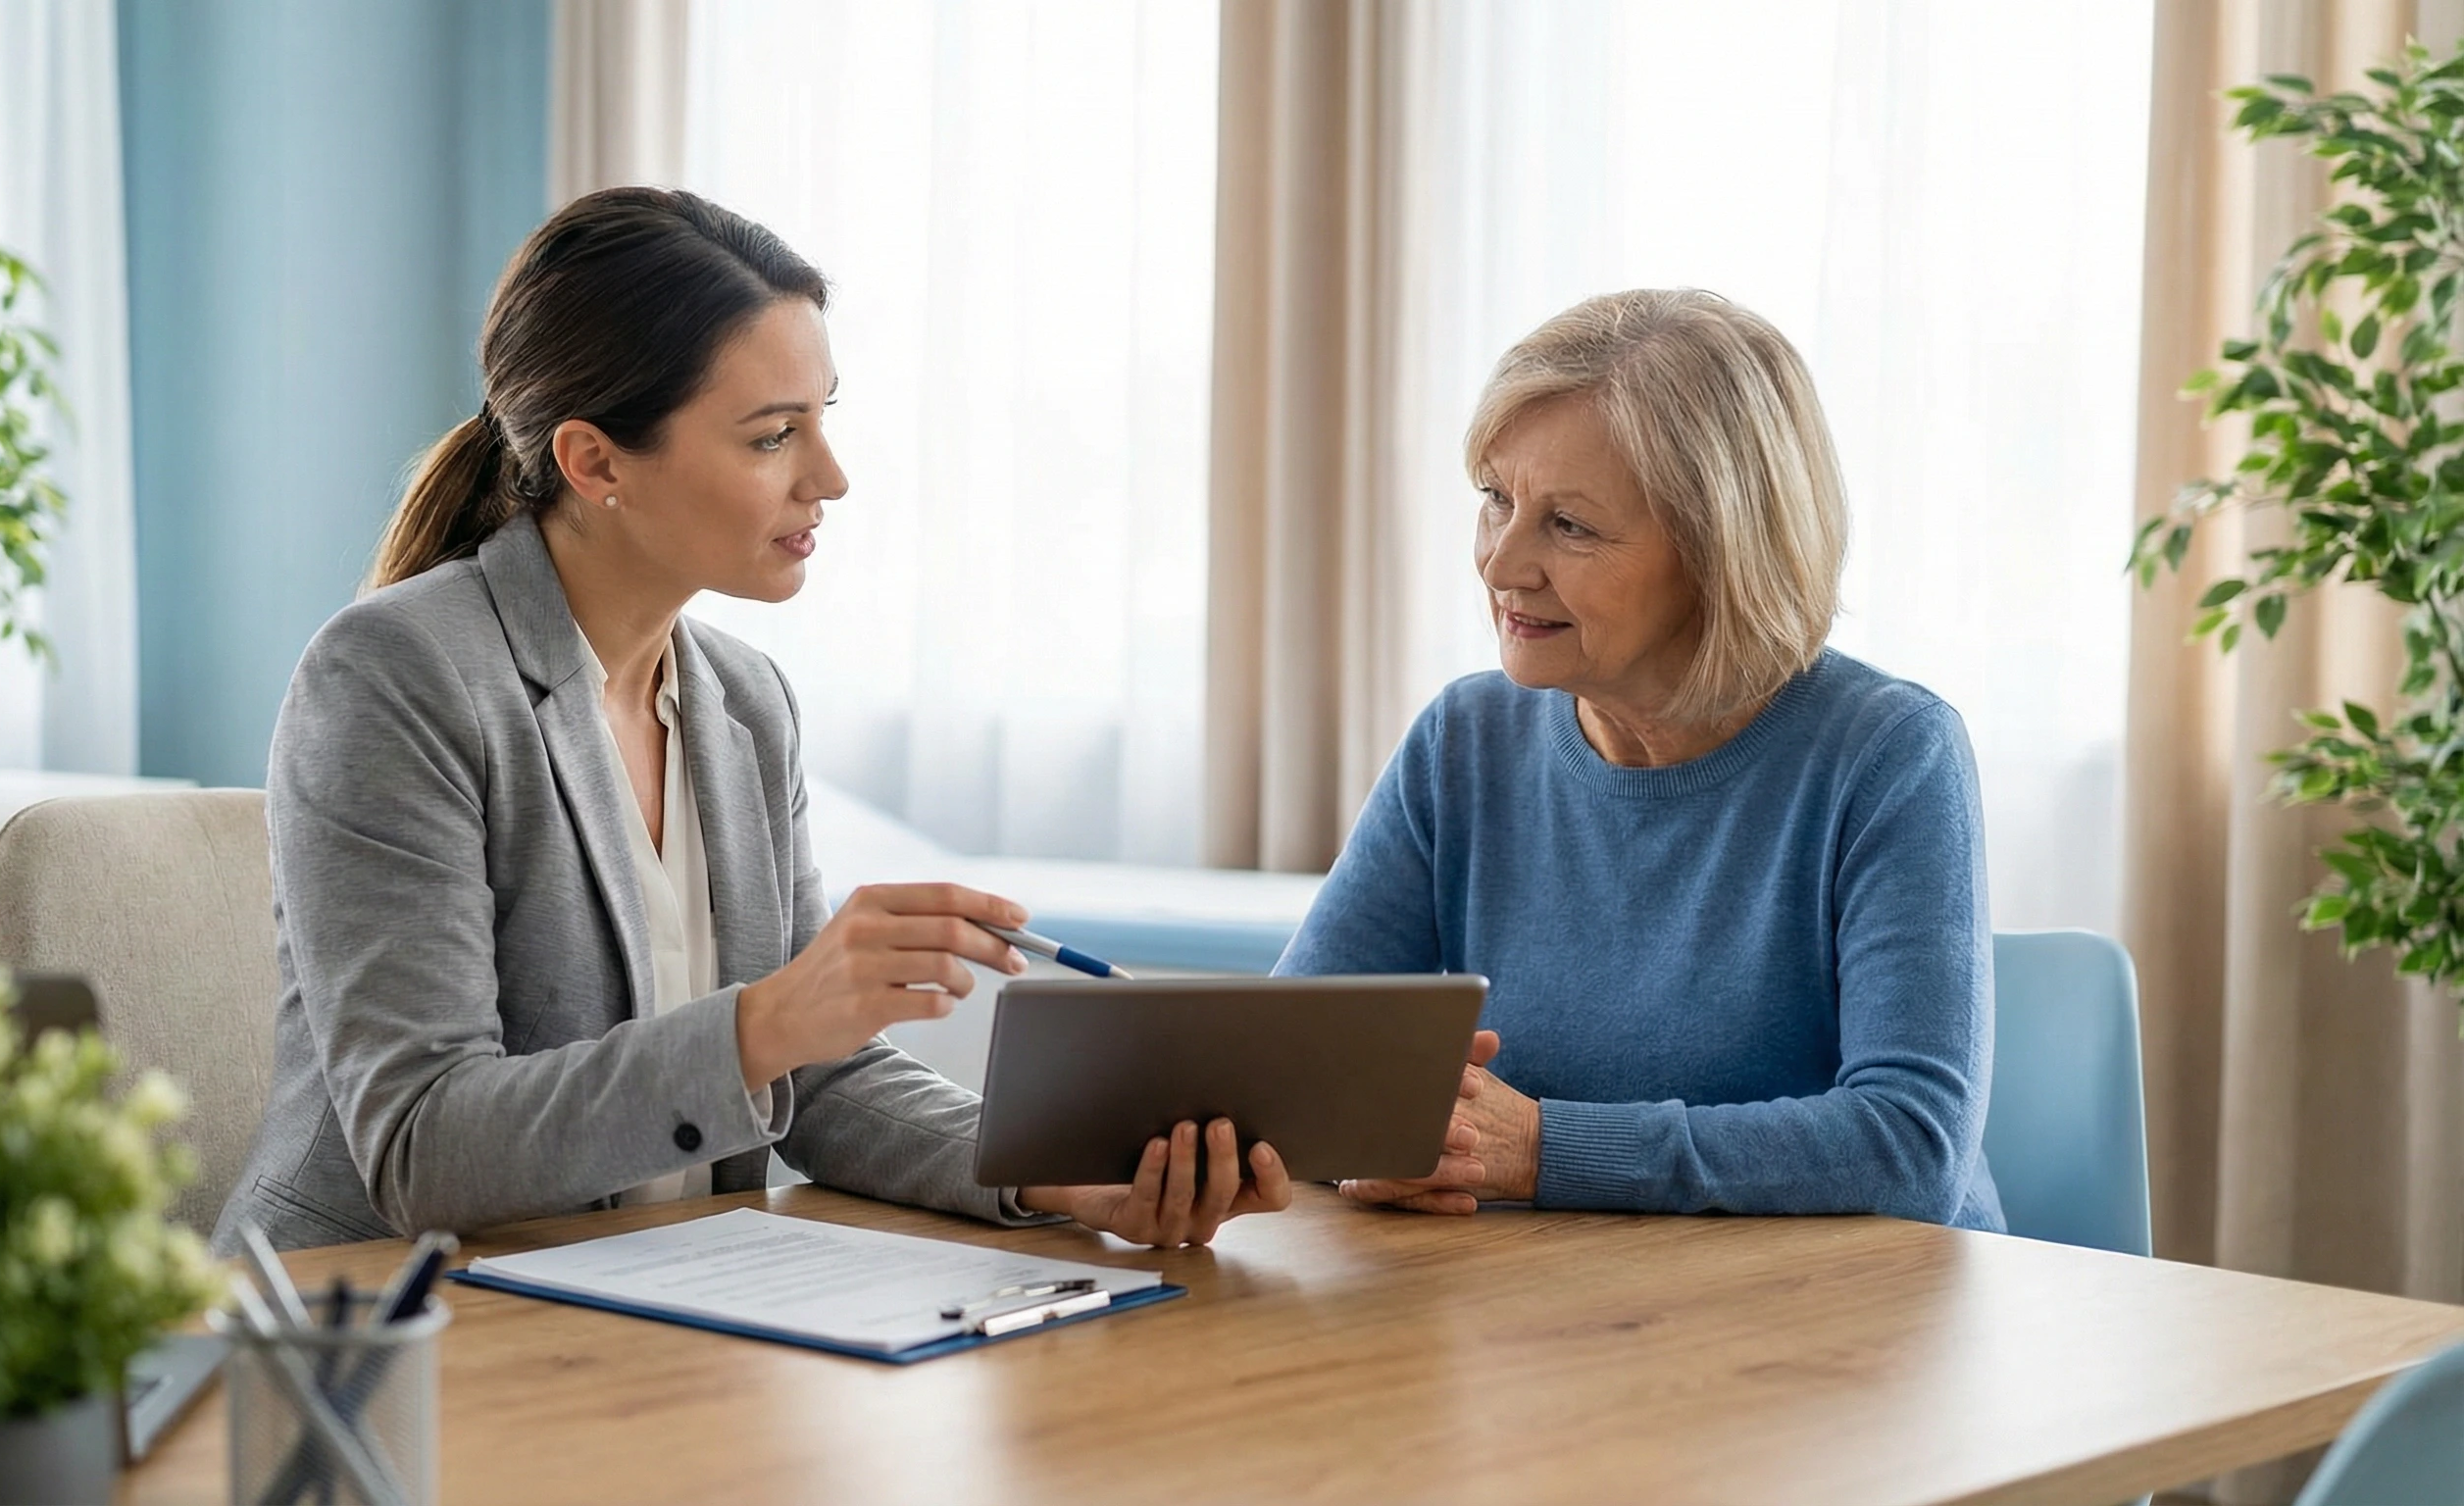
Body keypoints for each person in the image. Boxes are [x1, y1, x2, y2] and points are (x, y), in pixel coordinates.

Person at [213, 187, 1289, 1253]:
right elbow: (422, 1147)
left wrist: (1051, 1174)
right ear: (594, 463)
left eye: (824, 419)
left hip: (654, 1318)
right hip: (377, 1329)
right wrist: (767, 1020)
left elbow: (814, 1081)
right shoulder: (396, 676)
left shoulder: (745, 704)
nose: (830, 477)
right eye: (774, 436)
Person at [1280, 288, 2003, 1230]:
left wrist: (1543, 1149)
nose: (1502, 565)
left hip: (1852, 1331)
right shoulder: (1464, 740)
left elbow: (1909, 1150)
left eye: (1569, 526)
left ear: (1720, 550)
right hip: (1551, 1317)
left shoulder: (1891, 755)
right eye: (1497, 500)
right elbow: (1293, 1071)